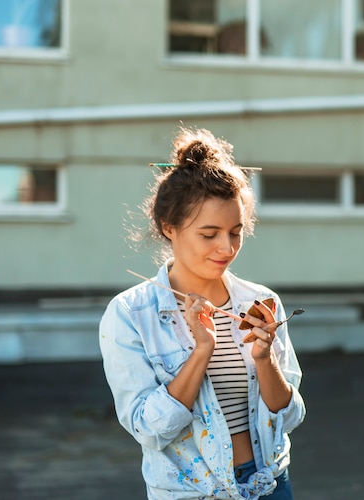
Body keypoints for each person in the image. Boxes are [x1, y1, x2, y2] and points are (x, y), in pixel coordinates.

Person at [99, 127, 306, 499]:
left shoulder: (260, 301)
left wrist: (264, 360)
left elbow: (288, 418)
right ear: (170, 228)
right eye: (209, 234)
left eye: (236, 232)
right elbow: (147, 429)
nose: (226, 248)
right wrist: (201, 352)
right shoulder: (131, 313)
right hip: (191, 492)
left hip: (271, 483)